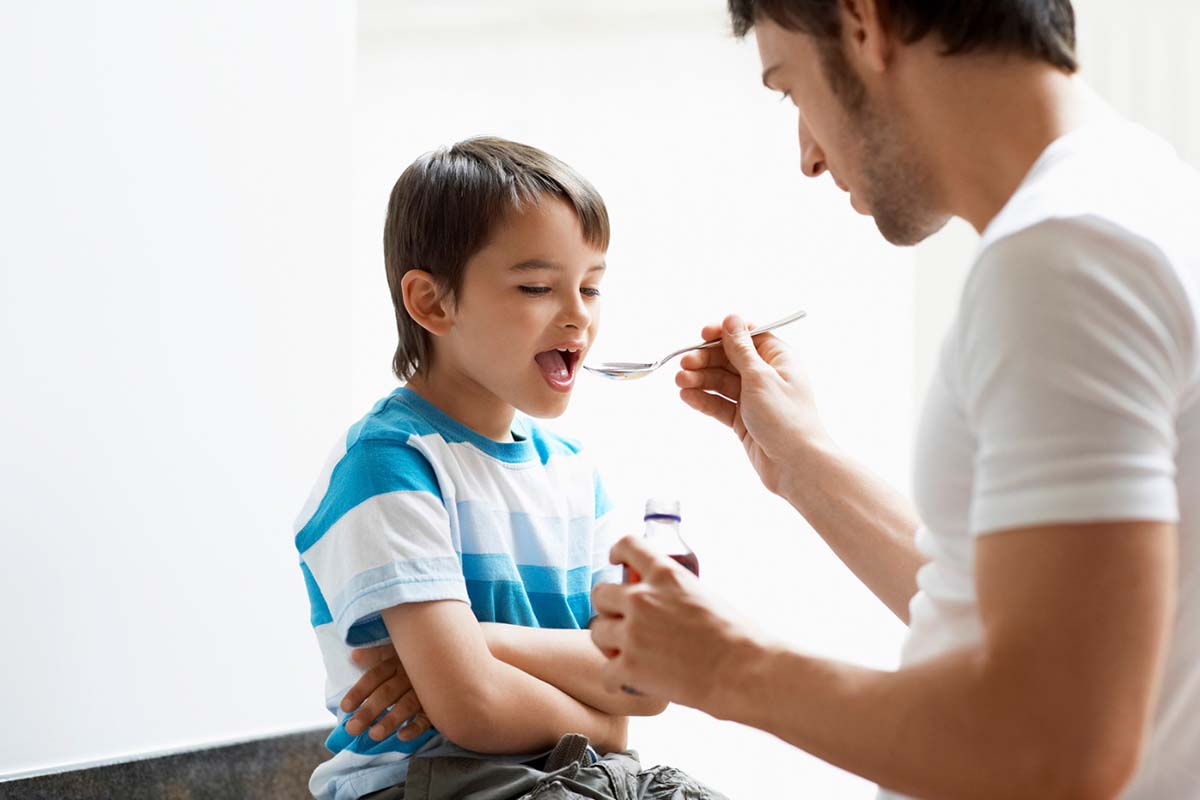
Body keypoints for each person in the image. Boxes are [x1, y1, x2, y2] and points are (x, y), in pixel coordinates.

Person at [588, 1, 1200, 798]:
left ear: (864, 24)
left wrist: (728, 667)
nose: (807, 154)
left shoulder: (1065, 261)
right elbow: (1016, 615)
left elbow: (1054, 746)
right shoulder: (1139, 194)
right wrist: (803, 463)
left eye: (789, 88)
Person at [294, 137, 722, 800]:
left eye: (590, 287)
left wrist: (478, 641)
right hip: (422, 786)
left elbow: (641, 686)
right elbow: (476, 709)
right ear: (433, 304)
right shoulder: (389, 464)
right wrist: (601, 725)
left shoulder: (575, 475)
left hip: (568, 776)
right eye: (536, 287)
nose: (579, 313)